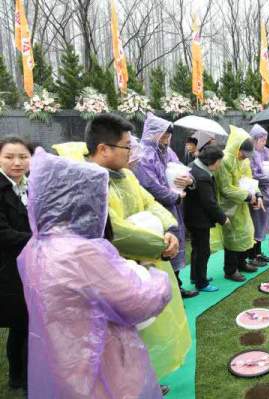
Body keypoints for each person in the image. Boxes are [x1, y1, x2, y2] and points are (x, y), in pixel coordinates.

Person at [18, 149, 171, 399]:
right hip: (100, 358)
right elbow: (139, 301)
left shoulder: (36, 246)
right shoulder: (80, 252)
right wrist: (155, 276)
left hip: (63, 355)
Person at [84, 113, 191, 387]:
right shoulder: (88, 183)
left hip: (145, 263)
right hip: (113, 273)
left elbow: (151, 202)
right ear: (103, 149)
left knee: (142, 330)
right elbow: (113, 231)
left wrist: (169, 230)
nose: (133, 153)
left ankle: (145, 380)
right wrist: (158, 246)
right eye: (127, 147)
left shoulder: (126, 176)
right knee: (117, 337)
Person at [132, 112, 197, 298]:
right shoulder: (144, 155)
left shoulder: (167, 151)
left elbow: (182, 169)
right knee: (164, 246)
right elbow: (150, 184)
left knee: (176, 242)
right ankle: (166, 292)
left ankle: (177, 286)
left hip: (175, 205)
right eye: (164, 135)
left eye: (169, 135)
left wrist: (189, 181)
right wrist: (174, 197)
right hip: (157, 208)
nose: (167, 139)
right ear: (153, 132)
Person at [0, 137, 32, 391]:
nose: (17, 162)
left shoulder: (31, 186)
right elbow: (3, 234)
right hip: (9, 269)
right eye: (9, 156)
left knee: (30, 321)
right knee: (19, 322)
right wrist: (40, 239)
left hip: (33, 265)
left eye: (23, 156)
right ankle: (17, 378)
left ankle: (28, 371)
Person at [214, 126, 263, 282]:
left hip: (242, 202)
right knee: (232, 236)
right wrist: (248, 196)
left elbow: (249, 179)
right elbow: (226, 188)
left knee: (245, 233)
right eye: (243, 153)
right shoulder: (225, 160)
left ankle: (241, 263)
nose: (244, 157)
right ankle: (230, 270)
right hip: (228, 205)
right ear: (237, 147)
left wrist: (257, 194)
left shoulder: (244, 161)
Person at [184, 145, 227, 292]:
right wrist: (223, 218)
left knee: (196, 248)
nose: (220, 165)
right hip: (199, 219)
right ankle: (201, 283)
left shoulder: (193, 166)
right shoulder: (202, 176)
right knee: (203, 250)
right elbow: (209, 202)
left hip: (192, 216)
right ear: (213, 161)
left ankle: (195, 276)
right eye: (219, 162)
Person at [248, 124, 269, 266]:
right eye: (262, 140)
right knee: (256, 225)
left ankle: (258, 252)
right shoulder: (251, 153)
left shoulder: (265, 151)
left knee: (262, 225)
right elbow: (253, 175)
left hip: (267, 194)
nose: (264, 142)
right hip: (256, 194)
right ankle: (253, 255)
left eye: (265, 140)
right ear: (254, 139)